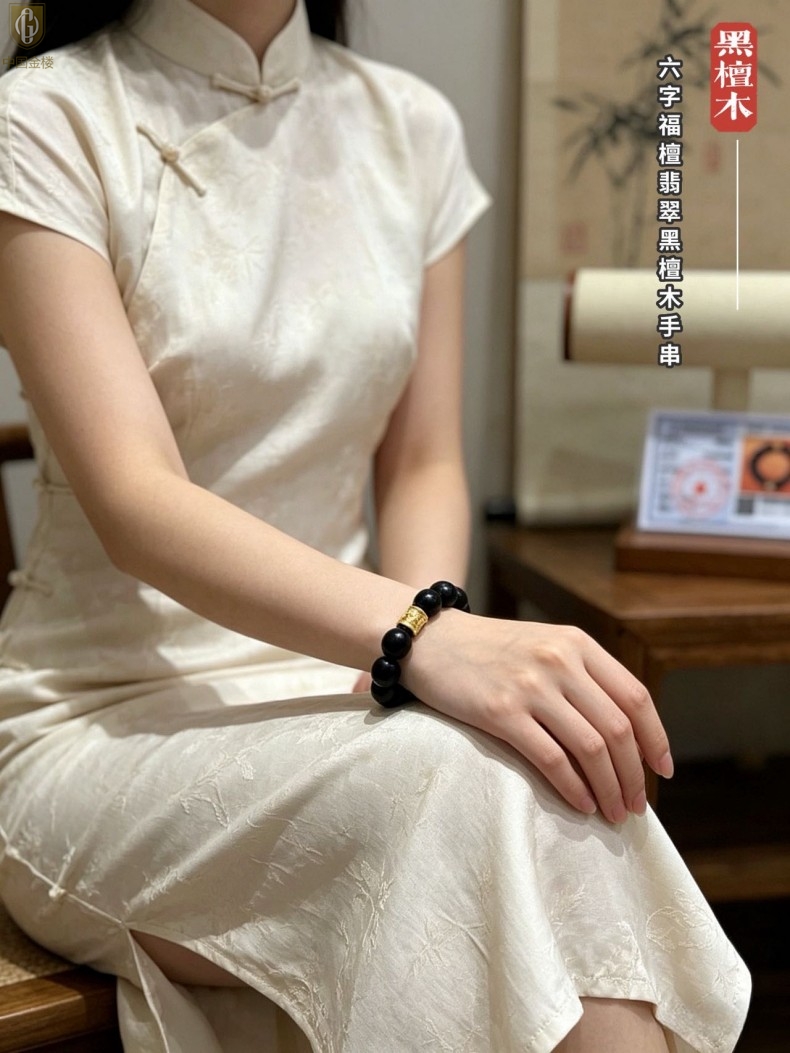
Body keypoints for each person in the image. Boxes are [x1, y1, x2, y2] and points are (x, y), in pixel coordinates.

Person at [0, 1, 750, 1050]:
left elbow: (424, 460)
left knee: (525, 781)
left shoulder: (408, 124)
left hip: (348, 682)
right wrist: (422, 635)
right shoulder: (46, 118)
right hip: (105, 714)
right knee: (474, 790)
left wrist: (413, 649)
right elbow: (137, 503)